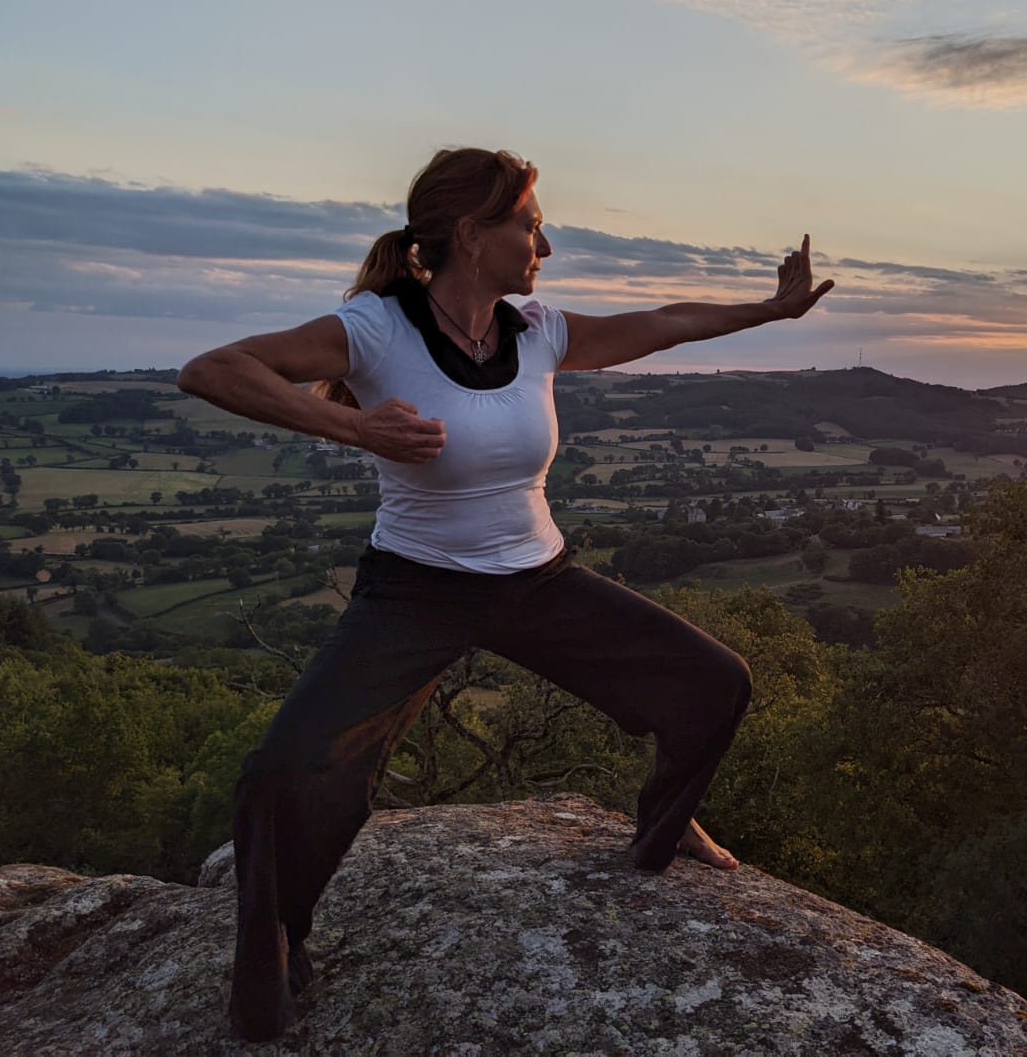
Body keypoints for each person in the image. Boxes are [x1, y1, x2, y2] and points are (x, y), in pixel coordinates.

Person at [176, 146, 834, 1042]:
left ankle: (664, 826)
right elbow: (213, 368)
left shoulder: (537, 328)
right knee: (285, 771)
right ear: (469, 235)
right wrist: (351, 423)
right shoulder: (375, 327)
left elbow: (667, 320)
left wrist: (773, 308)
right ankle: (277, 950)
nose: (546, 245)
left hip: (537, 580)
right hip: (414, 592)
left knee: (713, 681)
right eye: (529, 224)